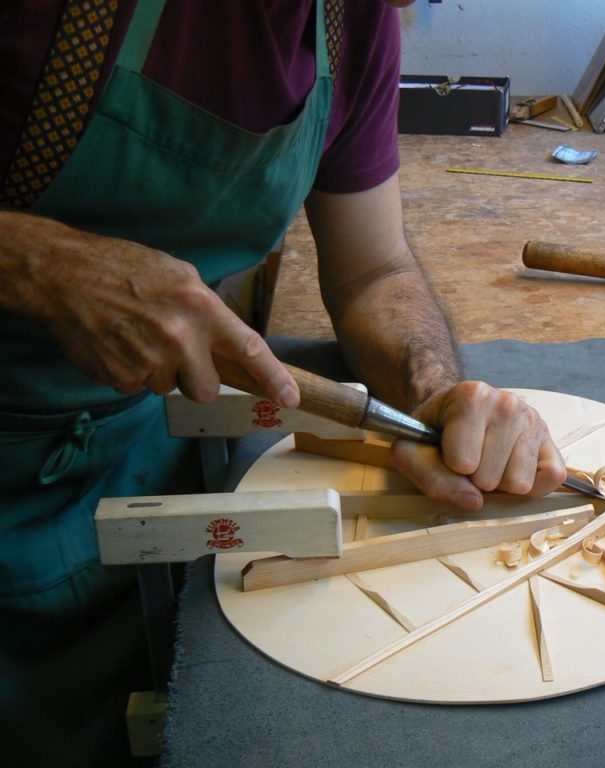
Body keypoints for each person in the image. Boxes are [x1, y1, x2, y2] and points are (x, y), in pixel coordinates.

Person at [0, 1, 566, 764]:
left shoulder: (350, 21)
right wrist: (39, 263)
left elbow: (374, 270)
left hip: (141, 451)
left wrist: (429, 393)